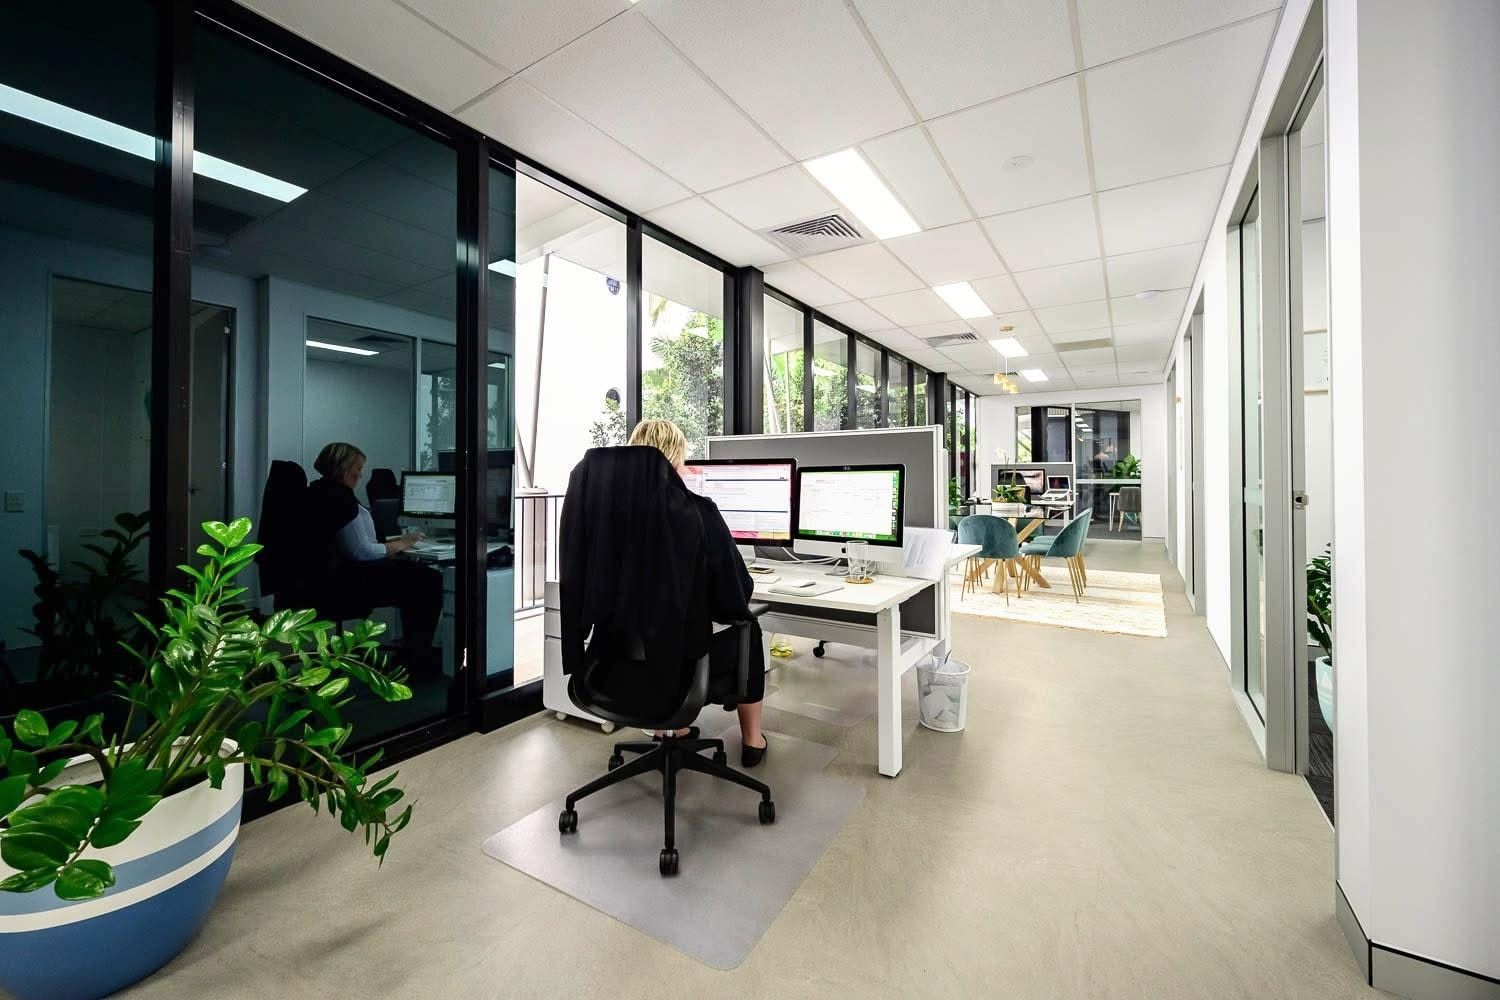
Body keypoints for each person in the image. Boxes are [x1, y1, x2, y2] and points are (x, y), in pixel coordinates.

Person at [627, 419, 769, 767]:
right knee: (748, 628)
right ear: (676, 462)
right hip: (682, 665)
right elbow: (736, 596)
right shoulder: (698, 510)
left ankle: (666, 729)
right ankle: (752, 740)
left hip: (617, 663)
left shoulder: (612, 514)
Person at [304, 442, 443, 677]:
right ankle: (417, 658)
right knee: (428, 580)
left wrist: (395, 543)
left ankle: (412, 652)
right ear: (345, 468)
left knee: (413, 575)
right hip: (347, 583)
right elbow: (361, 551)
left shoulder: (319, 491)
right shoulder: (340, 498)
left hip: (325, 580)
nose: (360, 474)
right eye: (358, 468)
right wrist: (402, 544)